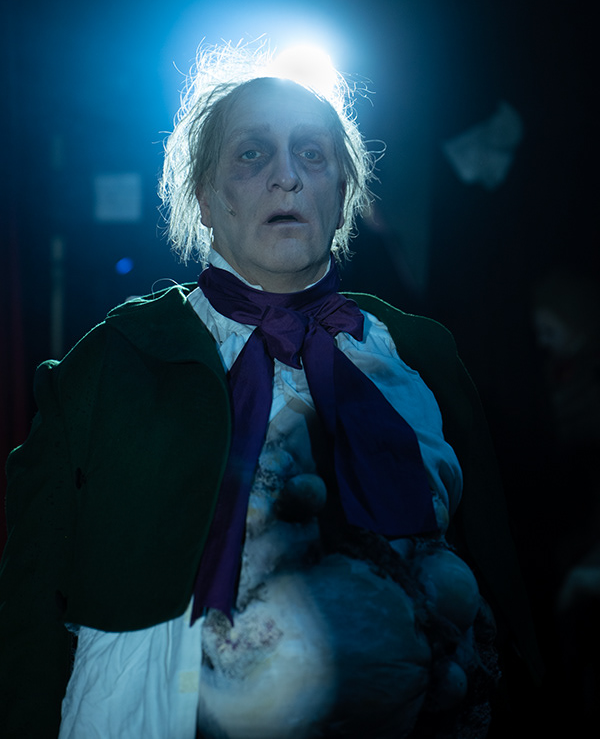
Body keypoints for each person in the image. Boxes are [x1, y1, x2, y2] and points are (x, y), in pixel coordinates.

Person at [0, 44, 540, 738]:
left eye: (312, 154)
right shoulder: (111, 362)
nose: (287, 177)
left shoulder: (421, 353)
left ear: (341, 192)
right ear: (205, 196)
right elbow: (31, 609)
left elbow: (506, 581)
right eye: (252, 155)